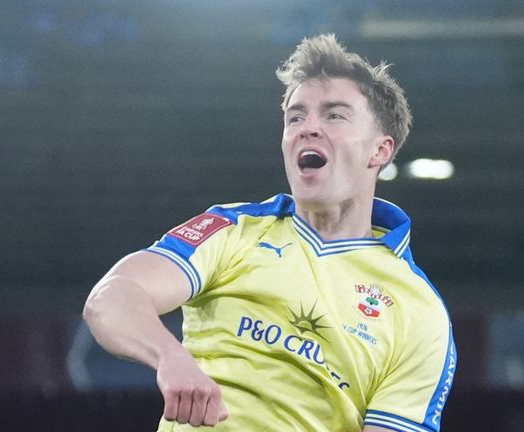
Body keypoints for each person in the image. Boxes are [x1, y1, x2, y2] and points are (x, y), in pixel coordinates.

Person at [83, 33, 456, 432]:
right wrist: (169, 356)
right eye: (295, 117)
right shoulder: (232, 230)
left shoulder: (420, 312)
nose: (307, 128)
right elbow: (112, 297)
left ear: (380, 151)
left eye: (334, 115)